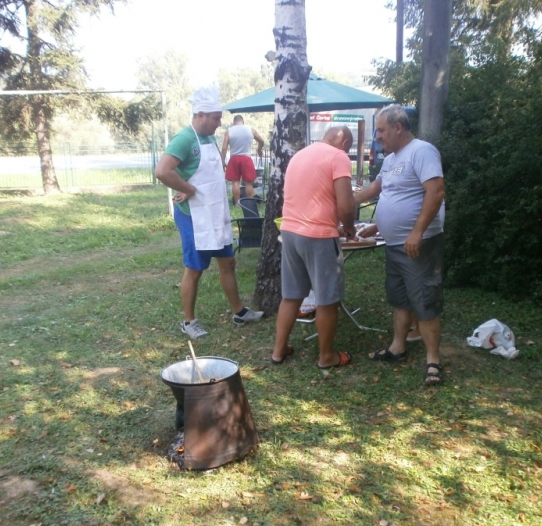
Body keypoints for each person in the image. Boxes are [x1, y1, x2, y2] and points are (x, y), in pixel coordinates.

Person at [154, 87, 264, 339]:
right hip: (195, 217)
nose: (219, 122)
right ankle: (189, 322)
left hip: (215, 213)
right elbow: (162, 171)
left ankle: (239, 311)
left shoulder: (208, 138)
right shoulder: (185, 138)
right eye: (216, 117)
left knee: (228, 262)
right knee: (195, 269)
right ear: (201, 114)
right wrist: (188, 188)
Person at [354, 104, 446, 385]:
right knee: (400, 297)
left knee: (425, 299)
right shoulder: (392, 159)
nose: (378, 136)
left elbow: (436, 191)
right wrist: (344, 201)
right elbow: (377, 191)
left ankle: (433, 360)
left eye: (381, 130)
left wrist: (417, 232)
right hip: (394, 243)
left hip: (419, 243)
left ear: (398, 127)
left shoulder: (422, 151)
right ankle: (398, 347)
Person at [271, 127, 357, 369]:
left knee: (291, 296)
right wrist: (349, 227)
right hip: (318, 236)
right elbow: (346, 205)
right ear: (345, 142)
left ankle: (278, 351)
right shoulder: (338, 157)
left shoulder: (300, 155)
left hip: (289, 232)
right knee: (327, 299)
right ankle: (327, 356)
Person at [220, 115, 265, 205]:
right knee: (248, 183)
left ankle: (237, 204)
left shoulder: (229, 131)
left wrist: (223, 161)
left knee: (235, 182)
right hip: (246, 158)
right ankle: (251, 203)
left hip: (234, 158)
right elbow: (261, 141)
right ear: (243, 121)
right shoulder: (250, 130)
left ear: (234, 122)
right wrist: (259, 150)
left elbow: (224, 148)